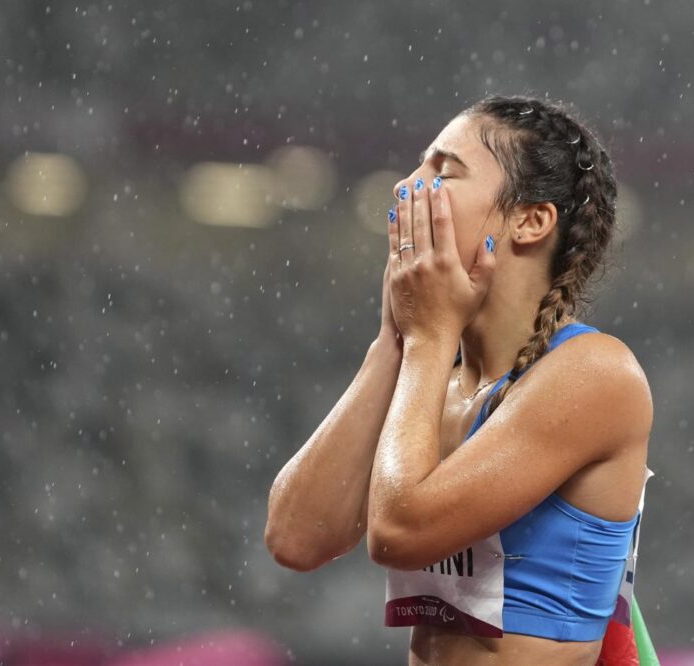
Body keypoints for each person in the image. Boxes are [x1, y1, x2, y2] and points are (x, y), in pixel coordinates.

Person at [266, 94, 655, 666]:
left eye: (443, 171)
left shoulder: (592, 373)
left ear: (530, 220)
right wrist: (392, 343)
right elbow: (296, 539)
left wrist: (425, 338)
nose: (407, 186)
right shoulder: (435, 377)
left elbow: (399, 531)